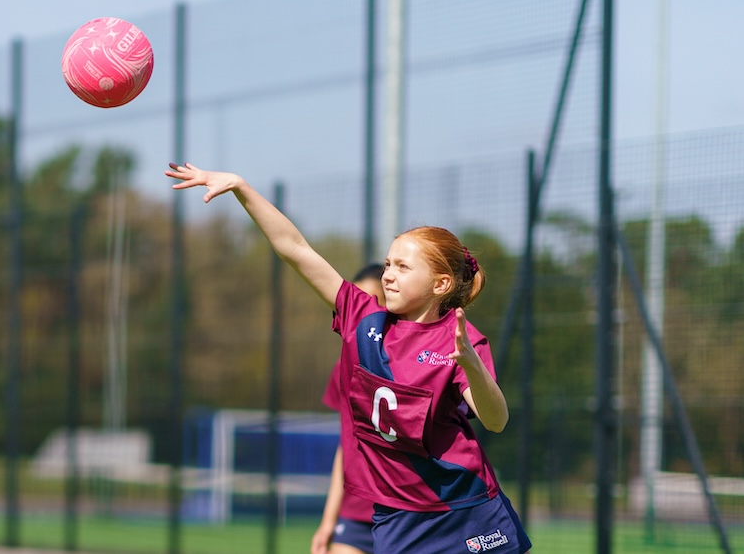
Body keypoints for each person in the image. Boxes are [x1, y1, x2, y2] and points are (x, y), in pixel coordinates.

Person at [167, 162, 530, 554]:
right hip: (397, 517)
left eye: (403, 267)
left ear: (440, 283)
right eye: (388, 264)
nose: (388, 275)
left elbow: (496, 421)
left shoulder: (460, 340)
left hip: (467, 508)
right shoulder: (361, 317)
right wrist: (242, 188)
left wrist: (472, 367)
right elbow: (296, 249)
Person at [311, 264, 383, 554]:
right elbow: (347, 446)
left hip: (406, 516)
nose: (361, 309)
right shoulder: (344, 368)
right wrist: (329, 519)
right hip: (354, 517)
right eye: (357, 299)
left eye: (371, 300)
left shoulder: (417, 364)